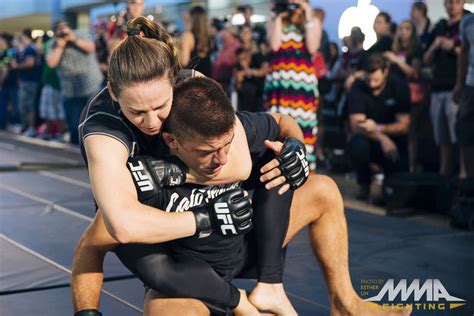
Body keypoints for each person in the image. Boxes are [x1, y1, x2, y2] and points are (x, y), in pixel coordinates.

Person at [73, 76, 411, 316]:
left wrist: (296, 148)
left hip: (249, 244)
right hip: (191, 277)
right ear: (173, 142)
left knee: (323, 189)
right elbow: (92, 244)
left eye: (225, 147)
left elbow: (281, 121)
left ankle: (344, 303)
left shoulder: (224, 130)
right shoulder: (145, 175)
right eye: (207, 152)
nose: (221, 160)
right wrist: (87, 313)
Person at [264, 0, 321, 171]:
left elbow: (312, 47)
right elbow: (274, 45)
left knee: (303, 125)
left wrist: (307, 14)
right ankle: (276, 163)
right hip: (279, 81)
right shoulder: (276, 19)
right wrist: (278, 16)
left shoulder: (312, 21)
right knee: (278, 123)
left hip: (302, 83)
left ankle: (304, 166)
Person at [347, 53, 411, 201]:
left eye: (375, 79)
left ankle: (388, 186)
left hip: (396, 142)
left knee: (396, 190)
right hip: (369, 139)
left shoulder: (399, 86)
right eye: (368, 78)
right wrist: (381, 137)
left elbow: (404, 125)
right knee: (357, 145)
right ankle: (364, 184)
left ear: (385, 72)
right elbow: (356, 126)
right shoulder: (358, 88)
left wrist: (379, 128)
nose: (371, 83)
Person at [423, 0, 465, 176]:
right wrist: (435, 46)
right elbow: (425, 60)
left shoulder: (468, 23)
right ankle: (444, 176)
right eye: (449, 2)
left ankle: (465, 176)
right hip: (438, 87)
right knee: (442, 138)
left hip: (457, 87)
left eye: (456, 2)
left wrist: (454, 47)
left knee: (462, 137)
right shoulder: (439, 27)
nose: (452, 5)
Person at [46, 20, 103, 145]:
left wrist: (73, 39)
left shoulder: (81, 33)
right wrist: (60, 46)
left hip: (90, 85)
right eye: (58, 30)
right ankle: (75, 149)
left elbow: (90, 48)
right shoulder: (53, 44)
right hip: (70, 90)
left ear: (70, 28)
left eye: (64, 29)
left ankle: (95, 147)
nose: (62, 32)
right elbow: (51, 63)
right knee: (74, 124)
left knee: (94, 119)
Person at [384, 20, 424, 172]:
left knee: (411, 131)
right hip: (394, 94)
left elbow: (414, 73)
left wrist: (395, 60)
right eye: (400, 28)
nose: (403, 32)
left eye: (407, 28)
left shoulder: (416, 50)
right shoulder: (394, 49)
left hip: (412, 95)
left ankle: (412, 167)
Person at [453, 12, 474, 179]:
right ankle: (470, 181)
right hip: (470, 85)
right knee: (465, 131)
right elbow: (464, 53)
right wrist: (459, 83)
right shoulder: (467, 22)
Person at [10, 28, 40, 137]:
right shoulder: (26, 48)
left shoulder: (29, 48)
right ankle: (26, 127)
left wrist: (17, 66)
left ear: (25, 36)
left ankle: (30, 128)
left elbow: (30, 64)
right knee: (24, 105)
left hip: (30, 81)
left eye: (21, 35)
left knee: (29, 105)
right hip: (26, 81)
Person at [233, 24, 269, 112]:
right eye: (242, 32)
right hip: (243, 95)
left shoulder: (257, 54)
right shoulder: (238, 52)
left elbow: (265, 70)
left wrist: (249, 72)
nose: (243, 34)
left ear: (251, 35)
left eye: (246, 32)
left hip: (257, 93)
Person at [179, 5, 215, 77]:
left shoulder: (188, 35)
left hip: (194, 79)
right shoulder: (209, 35)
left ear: (192, 19)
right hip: (208, 76)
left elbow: (184, 61)